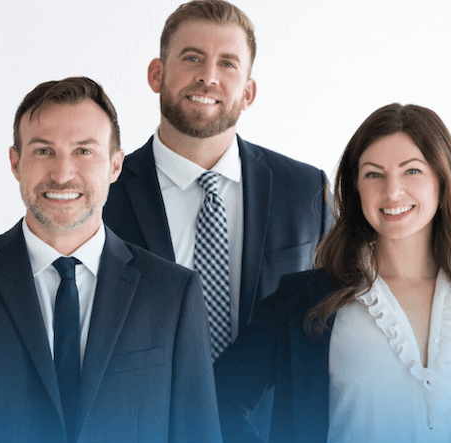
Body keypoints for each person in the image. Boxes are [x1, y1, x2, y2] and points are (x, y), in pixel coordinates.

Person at [0, 77, 225, 443]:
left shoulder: (172, 293)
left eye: (84, 151)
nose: (62, 173)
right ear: (15, 163)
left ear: (115, 165)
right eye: (43, 151)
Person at [214, 104, 451, 443]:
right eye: (373, 174)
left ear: (443, 181)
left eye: (412, 170)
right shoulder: (303, 301)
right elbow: (214, 404)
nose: (392, 191)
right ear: (356, 189)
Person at [103, 0, 331, 363]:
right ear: (156, 74)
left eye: (227, 63)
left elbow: (331, 318)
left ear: (248, 93)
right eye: (192, 57)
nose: (208, 77)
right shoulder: (103, 194)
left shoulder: (306, 191)